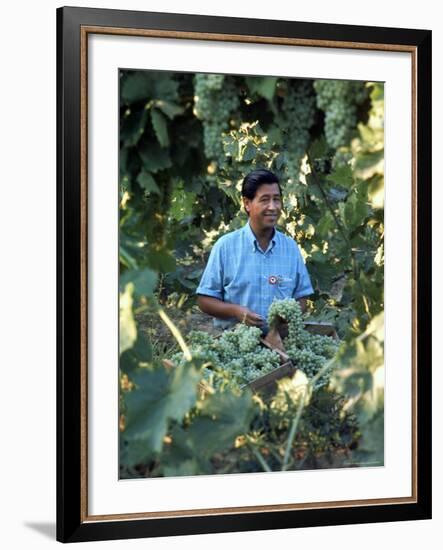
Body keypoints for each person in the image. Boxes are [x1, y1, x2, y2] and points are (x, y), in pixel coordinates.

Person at [196, 169, 314, 332]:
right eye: (265, 200)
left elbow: (302, 297)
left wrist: (286, 319)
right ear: (247, 203)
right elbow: (205, 300)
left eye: (277, 199)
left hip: (281, 346)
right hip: (236, 346)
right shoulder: (226, 247)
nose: (273, 207)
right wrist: (236, 311)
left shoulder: (290, 248)